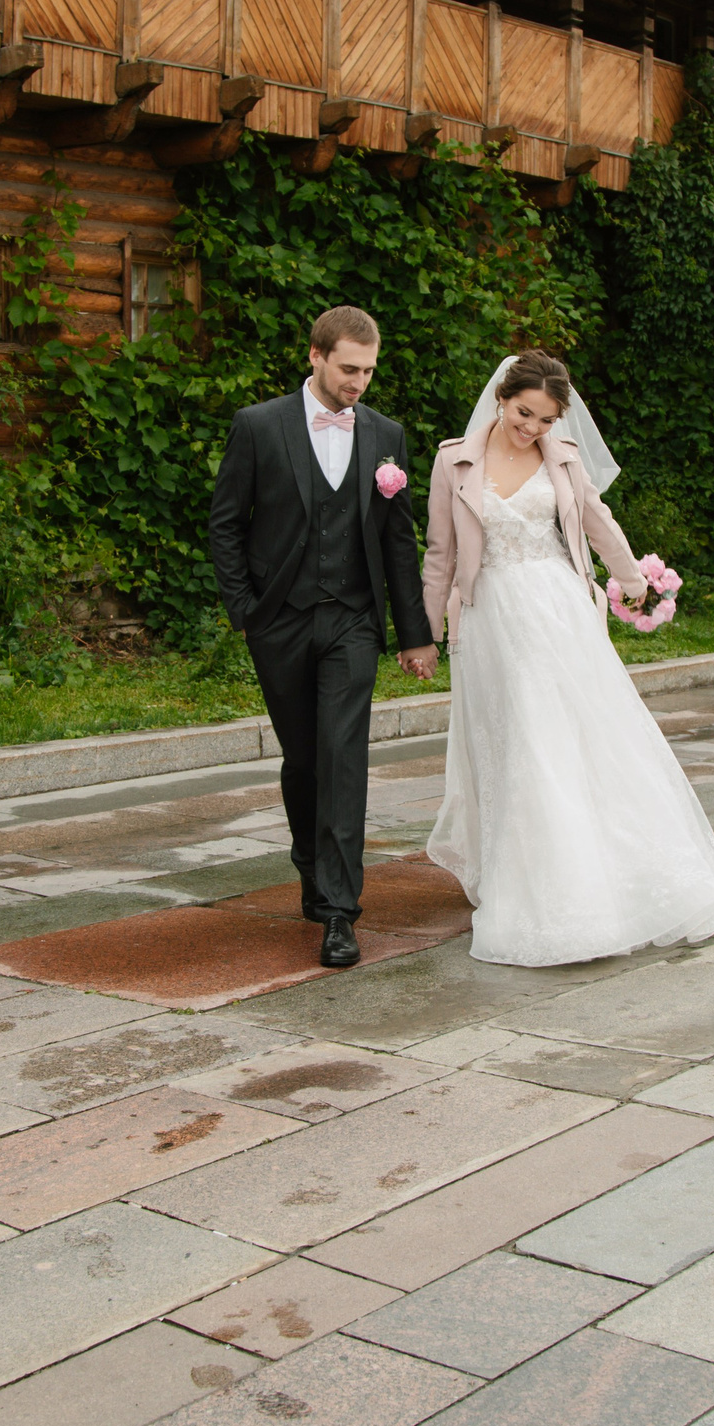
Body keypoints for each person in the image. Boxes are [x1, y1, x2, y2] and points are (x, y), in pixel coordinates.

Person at [421, 351, 714, 967]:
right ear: (502, 397)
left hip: (560, 612)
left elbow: (598, 522)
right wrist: (426, 630)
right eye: (525, 414)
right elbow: (440, 551)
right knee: (514, 741)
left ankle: (593, 877)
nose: (532, 429)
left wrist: (631, 579)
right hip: (491, 619)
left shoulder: (564, 458)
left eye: (545, 420)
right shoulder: (453, 461)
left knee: (575, 738)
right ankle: (529, 871)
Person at [207, 306, 435, 969]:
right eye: (348, 368)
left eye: (368, 370)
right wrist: (243, 610)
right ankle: (309, 862)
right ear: (314, 355)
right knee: (304, 759)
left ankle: (340, 912)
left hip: (353, 621)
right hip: (277, 620)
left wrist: (413, 633)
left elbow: (398, 539)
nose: (359, 382)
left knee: (342, 757)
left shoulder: (386, 435)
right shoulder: (258, 426)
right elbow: (226, 522)